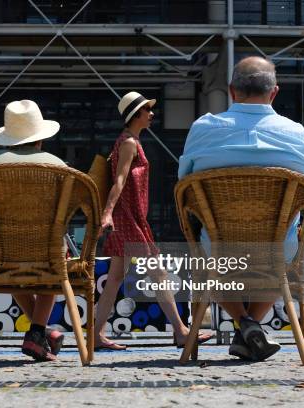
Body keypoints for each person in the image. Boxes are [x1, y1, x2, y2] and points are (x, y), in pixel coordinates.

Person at [179, 56, 304, 362]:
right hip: (276, 249)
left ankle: (245, 325)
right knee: (280, 251)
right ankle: (251, 328)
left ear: (231, 91)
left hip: (219, 248)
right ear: (274, 92)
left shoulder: (202, 130)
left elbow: (184, 185)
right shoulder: (299, 135)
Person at [95, 91, 213, 350]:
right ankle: (181, 331)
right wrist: (107, 213)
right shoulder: (128, 143)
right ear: (136, 115)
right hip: (128, 219)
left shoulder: (129, 140)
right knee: (158, 273)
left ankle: (96, 334)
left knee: (116, 277)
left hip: (129, 217)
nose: (151, 114)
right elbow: (120, 180)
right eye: (147, 110)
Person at [0, 100, 66, 362]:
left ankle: (42, 333)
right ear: (40, 139)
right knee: (55, 259)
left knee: (7, 260)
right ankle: (38, 332)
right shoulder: (57, 165)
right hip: (45, 251)